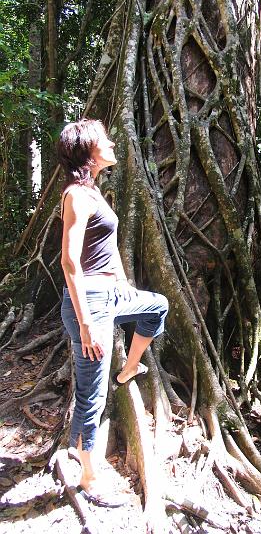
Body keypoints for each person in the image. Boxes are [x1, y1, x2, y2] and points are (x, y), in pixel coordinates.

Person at [58, 118, 168, 507]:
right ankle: (88, 477)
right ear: (88, 152)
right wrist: (87, 323)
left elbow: (105, 244)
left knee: (157, 305)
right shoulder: (77, 196)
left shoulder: (94, 192)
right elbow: (70, 261)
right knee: (92, 394)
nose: (111, 142)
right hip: (88, 302)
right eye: (103, 139)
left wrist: (123, 280)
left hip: (109, 294)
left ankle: (128, 368)